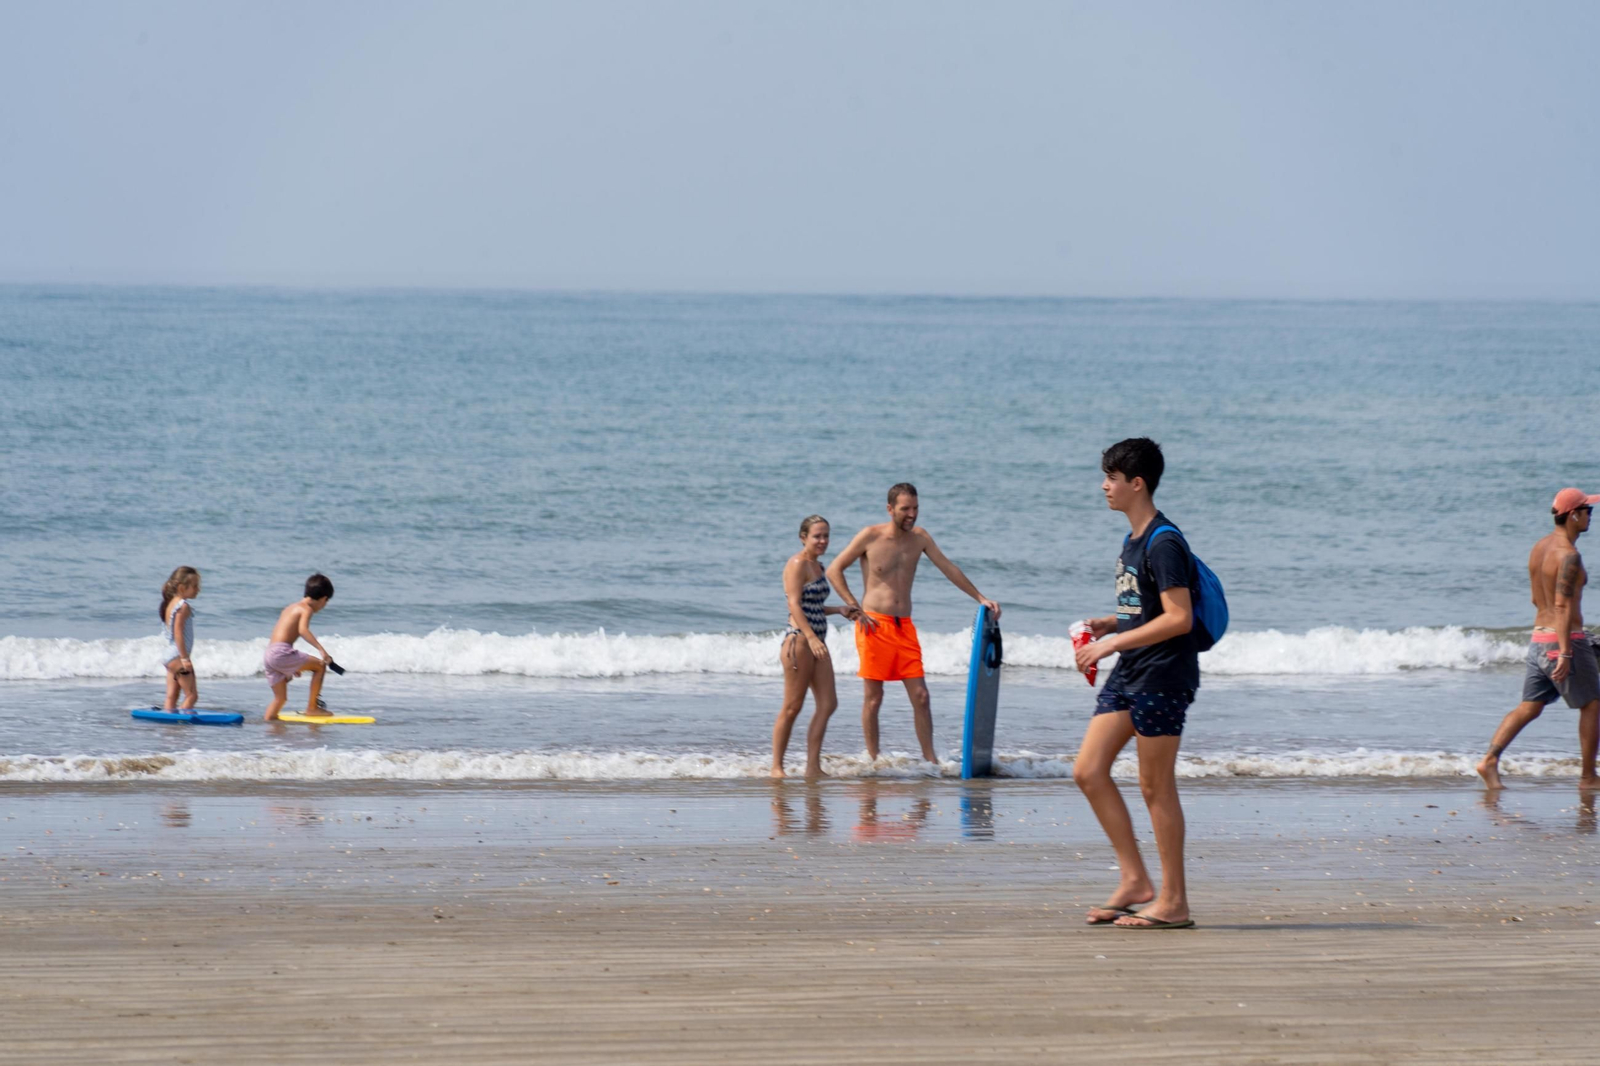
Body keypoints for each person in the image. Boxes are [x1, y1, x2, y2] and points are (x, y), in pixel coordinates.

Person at [1072, 438, 1199, 930]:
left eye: (1111, 478)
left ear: (1136, 483)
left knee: (1155, 787)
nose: (1104, 486)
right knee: (1088, 770)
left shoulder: (1164, 541)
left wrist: (1111, 646)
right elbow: (1146, 609)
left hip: (1163, 675)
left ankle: (1174, 901)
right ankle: (1136, 882)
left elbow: (1180, 618)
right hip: (1133, 670)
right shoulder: (1134, 540)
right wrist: (1112, 624)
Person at [826, 483, 1000, 765]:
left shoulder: (920, 538)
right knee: (874, 698)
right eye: (905, 509)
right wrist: (854, 607)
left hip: (904, 626)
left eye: (916, 508)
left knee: (920, 696)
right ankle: (873, 760)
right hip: (873, 626)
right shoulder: (870, 536)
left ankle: (931, 762)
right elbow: (834, 569)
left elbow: (948, 568)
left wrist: (980, 597)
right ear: (890, 509)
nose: (912, 514)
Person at [1477, 488, 1600, 790]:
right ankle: (1588, 777)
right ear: (1573, 515)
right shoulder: (1569, 556)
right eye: (1588, 511)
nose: (1590, 517)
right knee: (1593, 704)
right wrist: (1567, 652)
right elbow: (1561, 605)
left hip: (1538, 639)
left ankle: (1489, 760)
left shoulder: (1540, 547)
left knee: (1530, 706)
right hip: (1563, 640)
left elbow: (1536, 598)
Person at [773, 515, 861, 778]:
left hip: (817, 640)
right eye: (817, 536)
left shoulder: (819, 566)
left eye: (826, 536)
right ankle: (776, 767)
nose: (822, 541)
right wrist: (811, 637)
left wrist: (840, 609)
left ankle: (813, 766)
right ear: (803, 537)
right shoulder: (797, 564)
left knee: (828, 703)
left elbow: (814, 606)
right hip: (799, 640)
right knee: (792, 706)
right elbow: (794, 605)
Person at [263, 573, 336, 721]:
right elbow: (303, 630)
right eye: (326, 602)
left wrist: (288, 667)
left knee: (280, 699)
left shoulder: (290, 607)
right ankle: (312, 708)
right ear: (323, 599)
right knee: (320, 667)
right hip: (281, 653)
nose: (324, 606)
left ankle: (269, 726)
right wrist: (322, 651)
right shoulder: (306, 609)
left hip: (270, 654)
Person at [158, 566, 202, 712]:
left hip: (169, 656)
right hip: (177, 657)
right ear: (182, 587)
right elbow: (178, 633)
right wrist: (184, 658)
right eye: (195, 586)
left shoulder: (170, 604)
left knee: (172, 696)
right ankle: (180, 722)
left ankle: (169, 724)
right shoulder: (183, 607)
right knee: (191, 696)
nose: (198, 589)